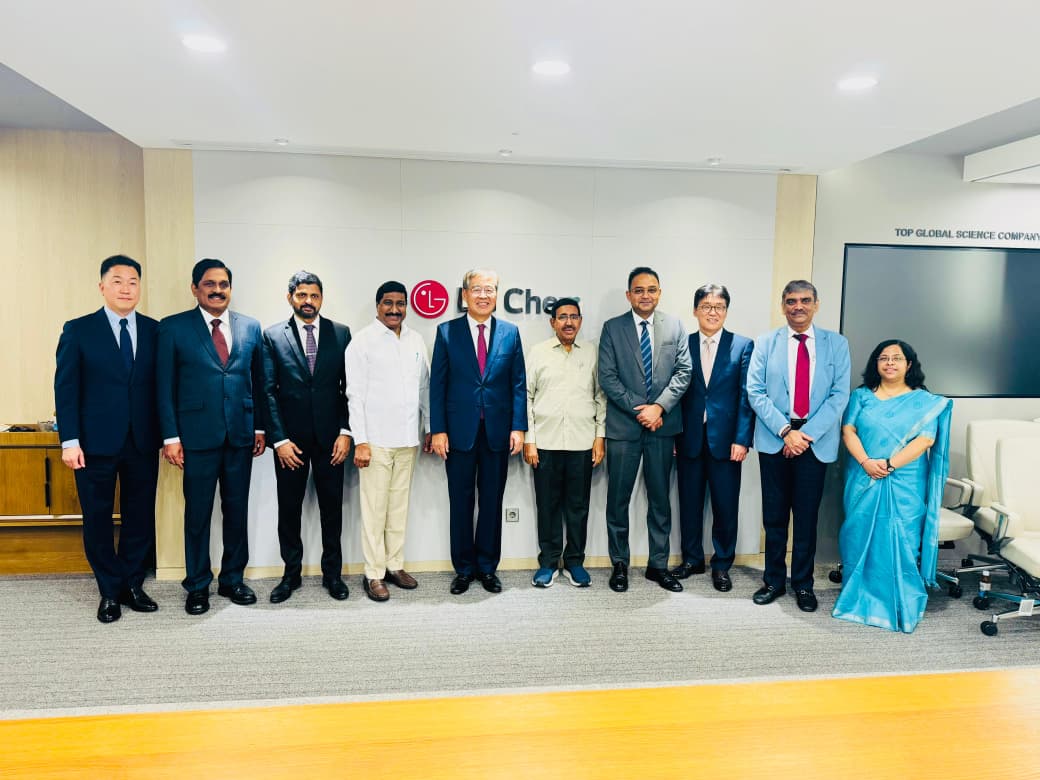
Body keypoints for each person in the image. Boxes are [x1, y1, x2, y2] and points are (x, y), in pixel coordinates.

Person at [54, 255, 161, 623]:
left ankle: (132, 583)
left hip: (142, 441)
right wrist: (70, 441)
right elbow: (66, 389)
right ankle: (109, 590)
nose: (126, 289)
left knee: (139, 516)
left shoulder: (154, 331)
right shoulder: (78, 330)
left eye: (133, 282)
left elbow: (161, 388)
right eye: (117, 281)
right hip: (93, 444)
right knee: (97, 517)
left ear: (139, 288)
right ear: (102, 287)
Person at [157, 258, 267, 615]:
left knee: (236, 511)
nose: (217, 290)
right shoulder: (173, 328)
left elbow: (259, 382)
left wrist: (260, 427)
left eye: (223, 284)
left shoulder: (250, 327)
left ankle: (233, 579)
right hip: (195, 438)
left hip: (240, 436)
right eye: (209, 284)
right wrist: (170, 437)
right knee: (198, 514)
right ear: (195, 288)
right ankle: (197, 585)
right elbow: (164, 387)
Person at [832, 340, 952, 633]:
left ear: (909, 364)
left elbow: (926, 440)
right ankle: (858, 592)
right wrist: (866, 463)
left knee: (903, 537)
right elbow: (848, 430)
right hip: (863, 476)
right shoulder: (861, 396)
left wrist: (888, 464)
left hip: (905, 481)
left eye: (896, 358)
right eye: (883, 358)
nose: (889, 363)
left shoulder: (924, 401)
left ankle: (900, 600)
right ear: (876, 363)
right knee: (859, 533)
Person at [746, 280, 850, 612]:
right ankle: (773, 581)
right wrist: (785, 431)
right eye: (791, 301)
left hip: (814, 443)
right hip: (775, 438)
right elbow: (755, 391)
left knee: (806, 518)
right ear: (783, 306)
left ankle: (803, 585)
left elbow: (839, 395)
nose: (798, 306)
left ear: (816, 304)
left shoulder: (836, 344)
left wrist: (804, 435)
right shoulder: (766, 342)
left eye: (805, 300)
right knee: (774, 517)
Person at [430, 269, 527, 595]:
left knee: (491, 501)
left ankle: (487, 567)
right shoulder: (447, 332)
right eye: (477, 289)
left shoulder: (510, 333)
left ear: (496, 295)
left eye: (489, 290)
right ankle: (463, 569)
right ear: (465, 294)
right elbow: (437, 385)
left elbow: (518, 384)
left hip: (497, 431)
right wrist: (438, 430)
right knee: (460, 501)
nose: (483, 295)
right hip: (458, 432)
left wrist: (518, 427)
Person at [598, 267, 692, 593]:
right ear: (629, 295)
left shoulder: (675, 326)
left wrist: (659, 407)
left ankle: (658, 565)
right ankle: (619, 564)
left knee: (660, 500)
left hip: (663, 428)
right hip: (624, 428)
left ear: (659, 293)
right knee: (617, 500)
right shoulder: (613, 328)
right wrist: (642, 410)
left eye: (652, 289)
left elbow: (684, 371)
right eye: (639, 290)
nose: (645, 295)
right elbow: (607, 377)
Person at [262, 271, 352, 603]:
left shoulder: (340, 333)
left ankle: (333, 576)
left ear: (321, 298)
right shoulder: (272, 336)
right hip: (291, 443)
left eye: (314, 295)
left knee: (332, 510)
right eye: (302, 295)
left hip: (331, 440)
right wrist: (279, 440)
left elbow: (349, 388)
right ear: (290, 298)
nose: (308, 301)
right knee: (289, 510)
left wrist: (346, 432)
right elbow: (267, 391)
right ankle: (291, 575)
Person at [345, 281, 431, 602]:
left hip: (408, 439)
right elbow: (354, 395)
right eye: (388, 303)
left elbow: (424, 388)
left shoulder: (416, 340)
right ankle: (373, 573)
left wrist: (429, 427)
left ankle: (394, 565)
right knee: (375, 510)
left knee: (398, 508)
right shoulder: (362, 342)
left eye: (400, 303)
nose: (394, 309)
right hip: (376, 441)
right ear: (377, 305)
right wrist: (361, 441)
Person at [671, 284, 754, 593]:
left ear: (726, 311)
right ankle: (692, 559)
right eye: (706, 306)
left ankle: (722, 564)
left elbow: (746, 396)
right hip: (688, 439)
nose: (712, 312)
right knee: (689, 504)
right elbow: (675, 394)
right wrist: (674, 437)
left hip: (727, 442)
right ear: (695, 311)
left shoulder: (742, 345)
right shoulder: (683, 344)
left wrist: (742, 439)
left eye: (719, 307)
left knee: (725, 506)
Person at [524, 298, 606, 588]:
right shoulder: (538, 352)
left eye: (573, 317)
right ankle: (548, 563)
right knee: (547, 506)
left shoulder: (592, 353)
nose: (568, 322)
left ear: (580, 321)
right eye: (562, 317)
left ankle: (574, 563)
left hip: (582, 443)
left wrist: (599, 437)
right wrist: (530, 440)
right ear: (553, 322)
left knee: (578, 507)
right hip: (545, 444)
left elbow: (600, 397)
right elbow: (527, 397)